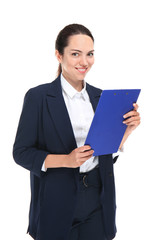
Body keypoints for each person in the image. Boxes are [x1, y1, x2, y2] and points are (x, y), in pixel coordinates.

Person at [13, 24, 140, 240]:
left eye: (90, 54)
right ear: (58, 55)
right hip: (55, 202)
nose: (84, 62)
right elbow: (22, 153)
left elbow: (103, 150)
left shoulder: (102, 97)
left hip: (98, 200)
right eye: (75, 54)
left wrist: (126, 131)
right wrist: (66, 160)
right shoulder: (38, 97)